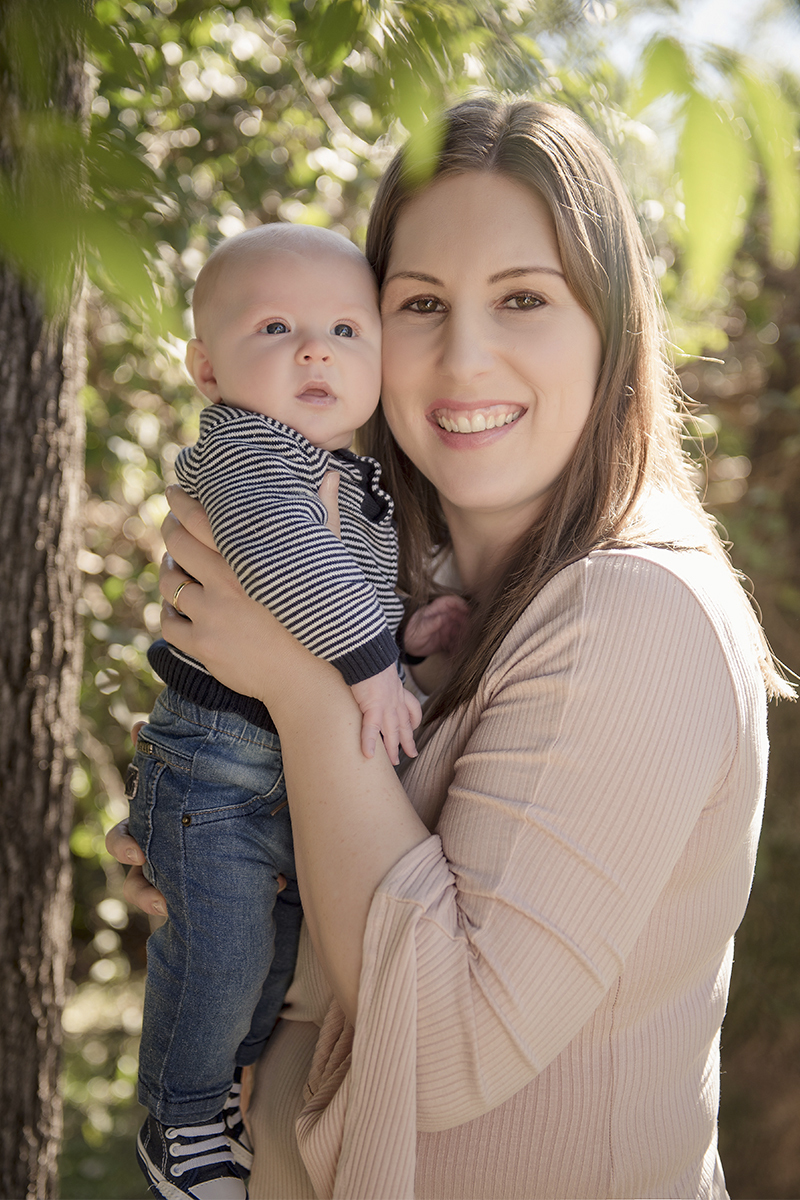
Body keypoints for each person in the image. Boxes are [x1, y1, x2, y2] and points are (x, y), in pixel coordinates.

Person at [109, 96, 793, 1200]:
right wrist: (209, 861)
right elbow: (351, 911)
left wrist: (297, 686)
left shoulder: (633, 616)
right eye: (419, 303)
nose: (464, 356)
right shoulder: (406, 589)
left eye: (522, 298)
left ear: (610, 325)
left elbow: (441, 1053)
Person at [127, 223, 467, 1200]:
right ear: (205, 366)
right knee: (223, 957)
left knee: (263, 968)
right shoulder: (244, 458)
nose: (314, 349)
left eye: (343, 331)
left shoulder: (344, 476)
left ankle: (214, 1097)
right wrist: (371, 668)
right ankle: (181, 1118)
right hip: (219, 766)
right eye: (275, 327)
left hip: (268, 779)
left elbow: (329, 594)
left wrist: (399, 637)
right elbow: (283, 560)